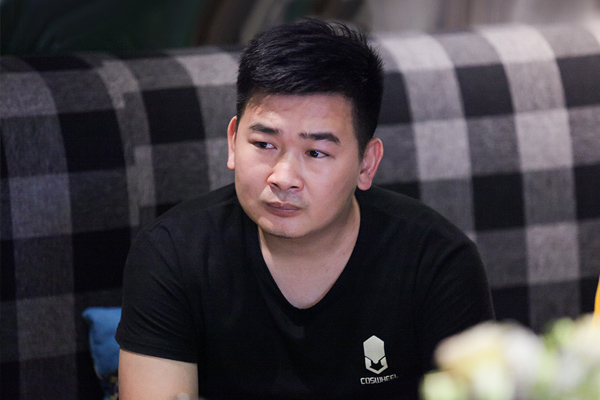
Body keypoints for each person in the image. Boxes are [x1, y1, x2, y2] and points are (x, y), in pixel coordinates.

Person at [116, 18, 494, 400]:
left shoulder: (437, 262)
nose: (283, 178)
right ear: (232, 142)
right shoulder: (172, 254)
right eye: (264, 144)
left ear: (366, 164)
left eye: (316, 152)